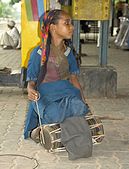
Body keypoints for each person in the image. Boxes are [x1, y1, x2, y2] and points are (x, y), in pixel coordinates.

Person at [24, 9, 90, 142]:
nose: (71, 27)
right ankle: (38, 131)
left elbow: (73, 78)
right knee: (52, 113)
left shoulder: (68, 52)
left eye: (71, 23)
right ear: (53, 27)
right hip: (47, 95)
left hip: (66, 92)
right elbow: (31, 81)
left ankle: (55, 128)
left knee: (80, 107)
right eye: (66, 23)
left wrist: (84, 101)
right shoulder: (38, 53)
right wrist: (30, 90)